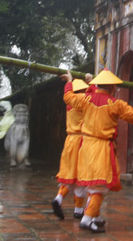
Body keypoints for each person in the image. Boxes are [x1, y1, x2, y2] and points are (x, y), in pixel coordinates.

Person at [62, 69, 133, 233]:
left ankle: (93, 216)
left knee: (92, 184)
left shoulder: (86, 99)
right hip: (102, 148)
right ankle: (86, 219)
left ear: (97, 85)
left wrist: (69, 81)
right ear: (113, 88)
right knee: (99, 186)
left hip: (86, 146)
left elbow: (68, 97)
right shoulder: (116, 104)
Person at [51, 78, 89, 220]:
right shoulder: (83, 100)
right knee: (80, 177)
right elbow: (96, 97)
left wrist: (68, 81)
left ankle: (59, 198)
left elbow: (68, 93)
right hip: (82, 141)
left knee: (69, 175)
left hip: (70, 141)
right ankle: (78, 209)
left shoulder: (70, 104)